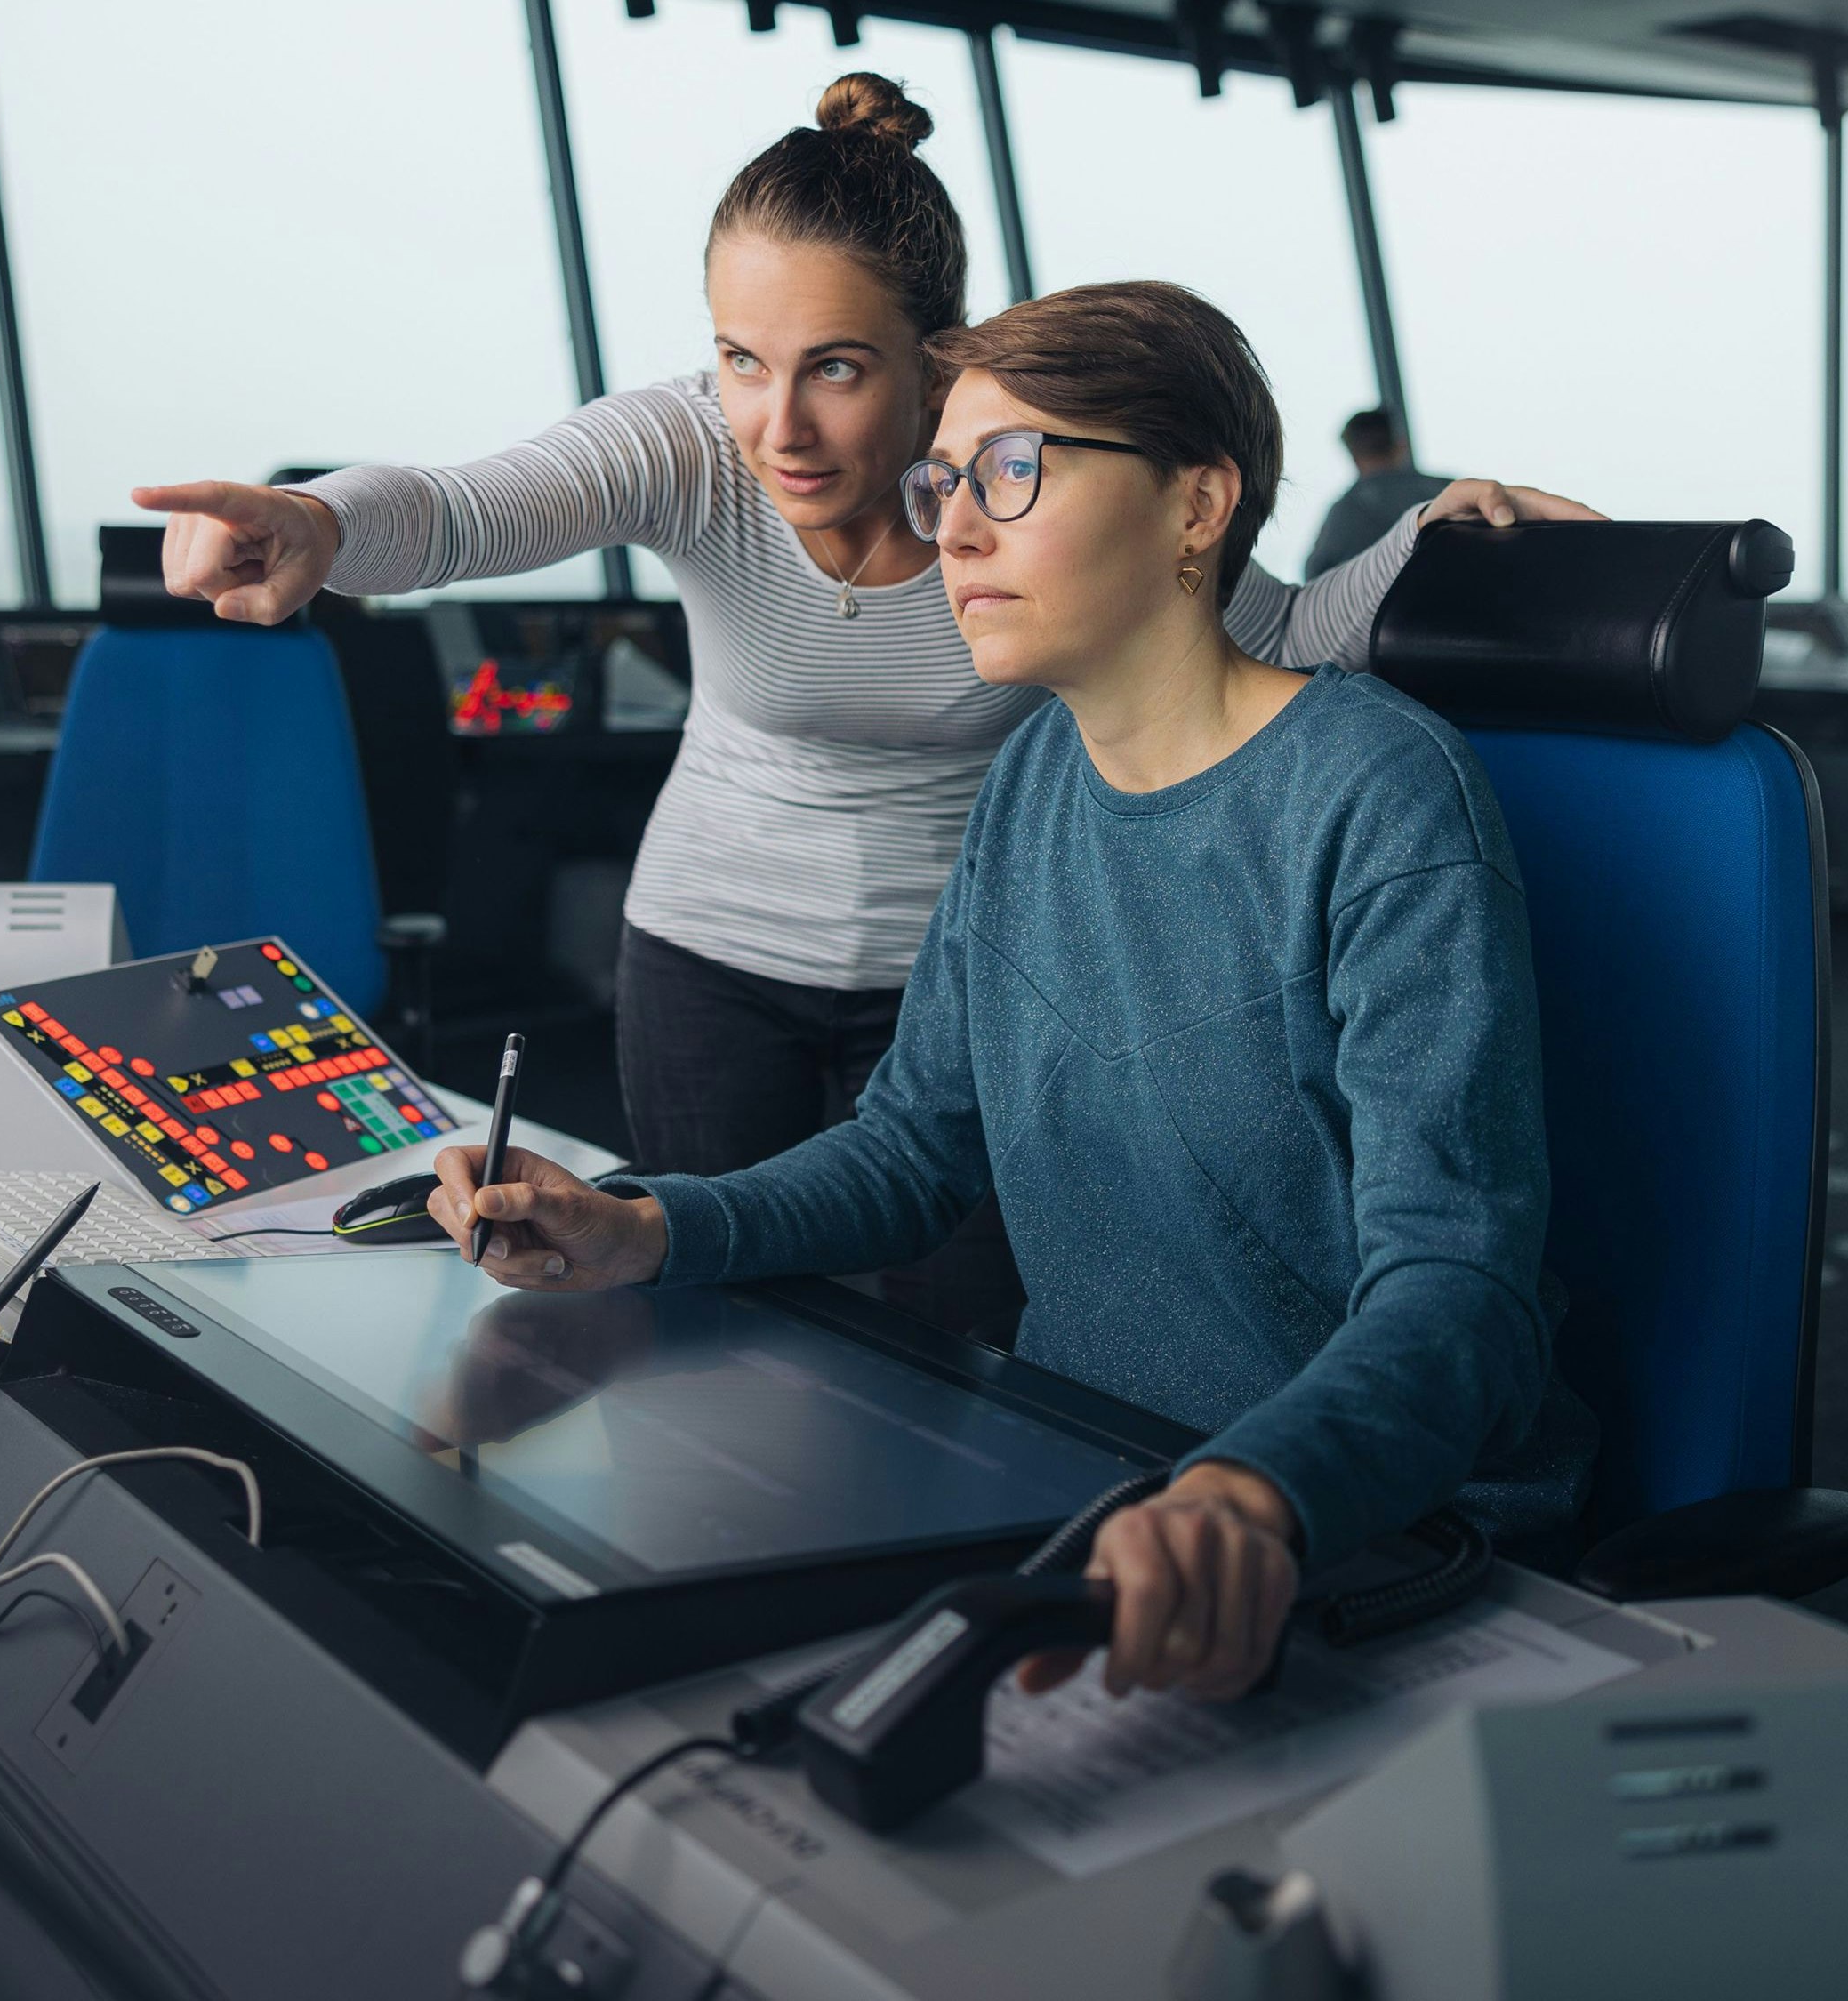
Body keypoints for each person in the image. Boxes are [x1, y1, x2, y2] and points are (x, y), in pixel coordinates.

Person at [132, 75, 1595, 1336]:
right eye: (740, 362)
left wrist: (1425, 549)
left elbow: (1260, 635)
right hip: (710, 953)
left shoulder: (1013, 482)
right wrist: (315, 523)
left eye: (835, 367)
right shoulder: (692, 448)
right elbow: (452, 512)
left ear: (933, 354)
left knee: (968, 1342)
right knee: (718, 1324)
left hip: (955, 981)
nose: (779, 426)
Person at [415, 281, 1597, 1707]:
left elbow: (1459, 1289)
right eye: (942, 479)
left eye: (1014, 470)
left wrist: (1250, 1494)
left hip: (1347, 1536)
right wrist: (642, 1228)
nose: (954, 527)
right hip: (1081, 1481)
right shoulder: (1035, 774)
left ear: (1196, 506)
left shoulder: (1377, 794)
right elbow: (917, 1149)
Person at [1303, 406, 1449, 576]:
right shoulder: (1448, 491)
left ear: (1354, 455)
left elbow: (1314, 578)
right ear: (1400, 445)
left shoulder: (1345, 512)